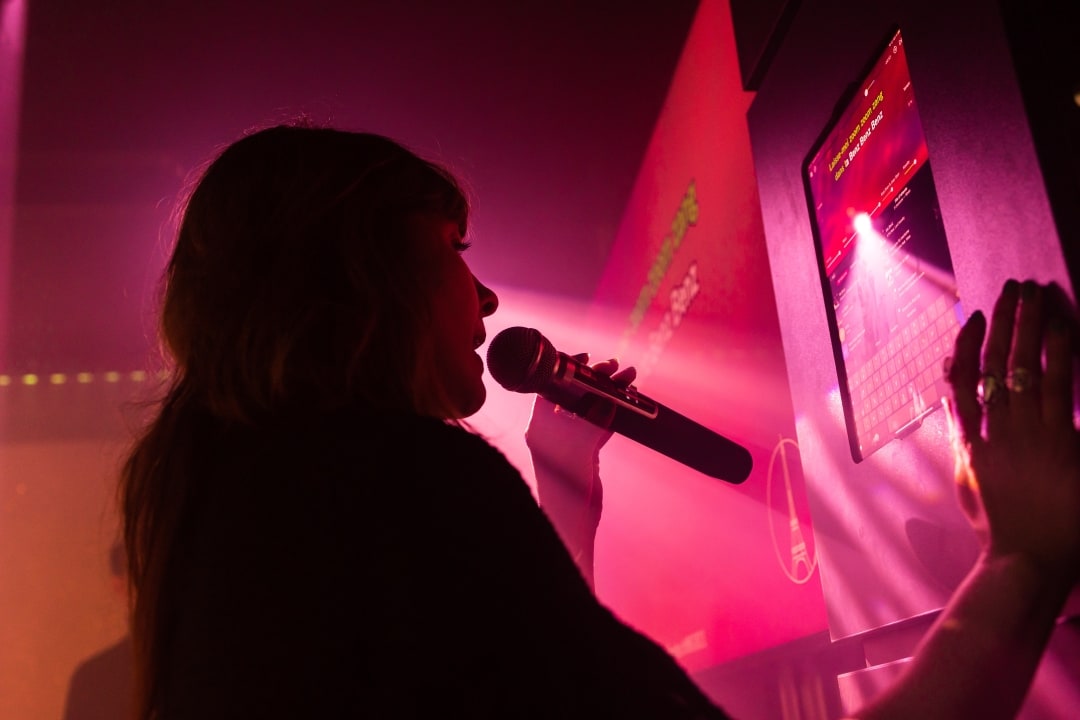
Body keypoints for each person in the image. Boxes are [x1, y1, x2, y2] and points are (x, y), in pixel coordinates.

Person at [118, 121, 1078, 719]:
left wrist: (563, 487)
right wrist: (1024, 561)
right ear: (369, 274)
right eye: (455, 247)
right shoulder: (396, 479)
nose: (487, 297)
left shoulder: (237, 495)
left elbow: (505, 687)